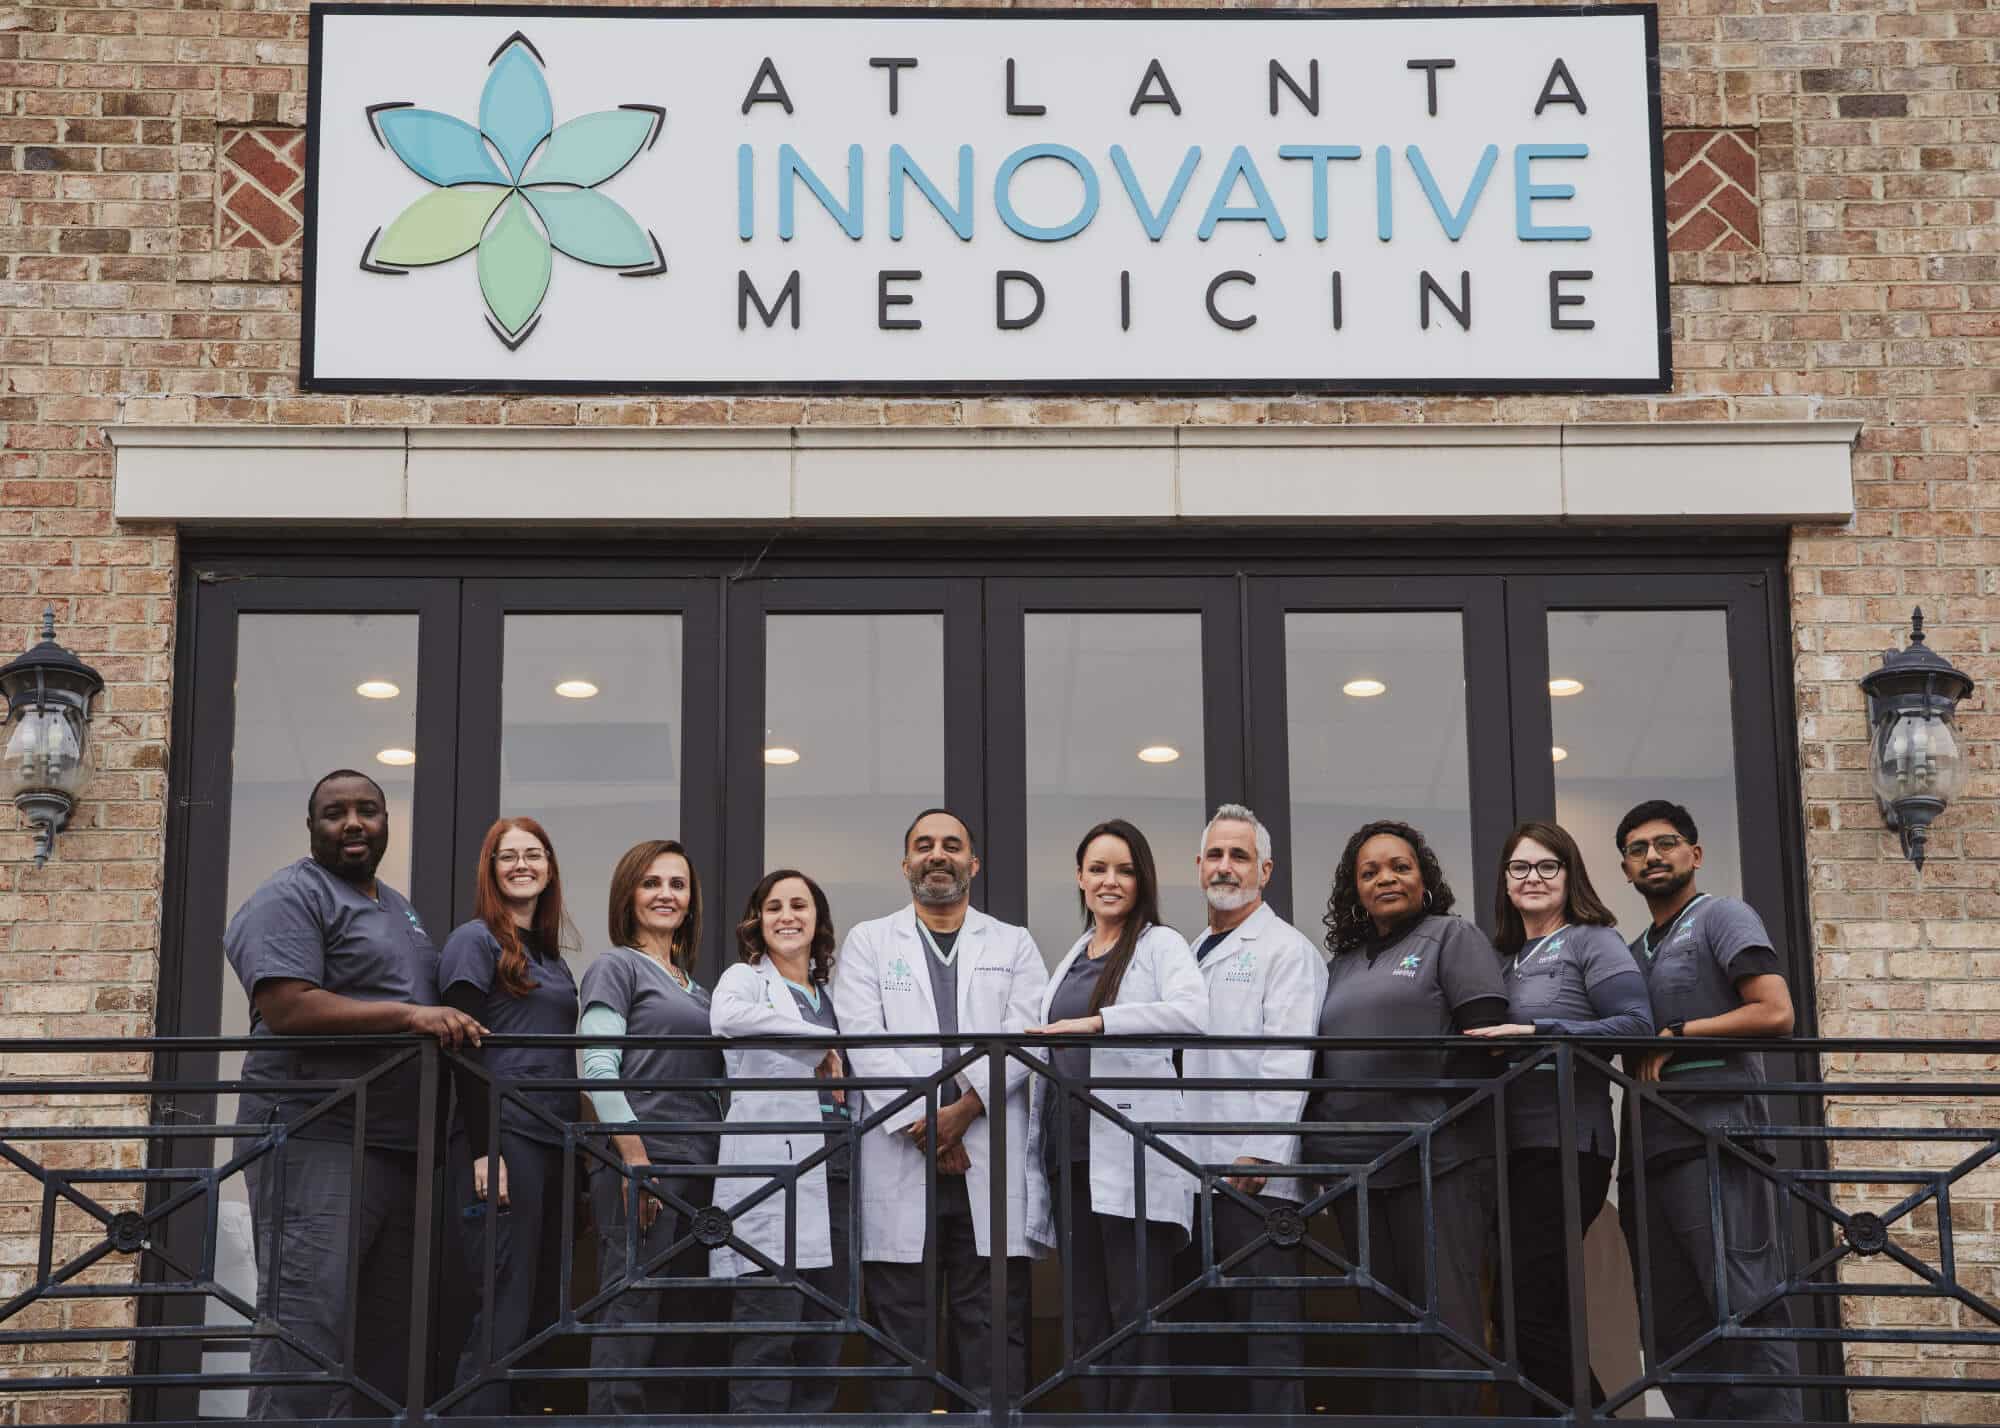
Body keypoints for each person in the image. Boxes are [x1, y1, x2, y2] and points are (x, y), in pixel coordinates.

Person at [223, 769, 483, 1420]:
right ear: (312, 827)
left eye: (368, 810)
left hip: (396, 1150)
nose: (353, 824)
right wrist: (410, 1016)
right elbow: (287, 1006)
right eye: (335, 813)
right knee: (308, 1327)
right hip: (315, 1134)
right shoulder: (291, 894)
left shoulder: (398, 908)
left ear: (386, 822)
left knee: (380, 1346)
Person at [832, 809, 1048, 1411]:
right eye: (924, 845)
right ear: (905, 862)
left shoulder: (1013, 943)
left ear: (973, 863)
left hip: (987, 1157)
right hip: (902, 1153)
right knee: (900, 1334)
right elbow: (863, 1041)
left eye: (951, 845)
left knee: (992, 1330)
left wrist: (964, 1111)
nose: (937, 854)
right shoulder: (870, 942)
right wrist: (931, 1125)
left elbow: (1026, 1036)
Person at [1304, 819, 1508, 1417]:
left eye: (1399, 866)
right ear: (1355, 889)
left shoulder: (1452, 936)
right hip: (1356, 1175)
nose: (1385, 879)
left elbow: (1488, 1046)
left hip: (1436, 1163)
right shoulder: (1341, 964)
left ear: (1424, 877)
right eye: (1369, 872)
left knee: (1447, 1327)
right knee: (1383, 1330)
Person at [1613, 800, 1802, 1421]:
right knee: (1673, 1331)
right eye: (1638, 849)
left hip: (1717, 1140)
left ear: (1694, 854)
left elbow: (1775, 1011)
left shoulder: (1722, 916)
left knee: (1743, 1308)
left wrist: (1681, 1034)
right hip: (1647, 1156)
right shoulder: (1630, 950)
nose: (1652, 856)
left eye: (1665, 843)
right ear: (1625, 869)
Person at [1464, 820, 1654, 1415]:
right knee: (1518, 1312)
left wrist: (1540, 1032)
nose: (1533, 877)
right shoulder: (1503, 958)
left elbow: (1636, 1026)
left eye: (1548, 865)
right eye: (1520, 867)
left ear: (1570, 875)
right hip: (1507, 1151)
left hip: (1567, 1147)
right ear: (1505, 881)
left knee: (1531, 1310)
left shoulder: (1592, 941)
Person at [1025, 818, 1207, 1415]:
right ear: (1079, 877)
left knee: (1136, 1315)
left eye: (1125, 870)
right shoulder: (1074, 955)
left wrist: (1099, 1022)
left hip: (1132, 1155)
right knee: (1086, 1318)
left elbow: (1192, 1012)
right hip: (1069, 1155)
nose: (1110, 881)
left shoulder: (1160, 945)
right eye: (1098, 869)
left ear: (1143, 880)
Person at [1175, 803, 1327, 1415]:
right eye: (1215, 854)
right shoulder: (1189, 949)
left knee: (1267, 1344)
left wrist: (1261, 1148)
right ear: (1198, 866)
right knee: (1204, 1348)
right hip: (1191, 1180)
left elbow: (1289, 1058)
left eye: (1239, 856)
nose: (1225, 866)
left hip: (1255, 1184)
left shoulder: (1287, 950)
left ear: (1265, 871)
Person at [439, 817, 580, 1417]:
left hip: (554, 1143)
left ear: (549, 867)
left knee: (545, 1308)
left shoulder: (551, 957)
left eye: (534, 854)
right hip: (505, 1138)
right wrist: (484, 1148)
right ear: (491, 870)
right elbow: (461, 1047)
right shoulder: (474, 941)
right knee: (505, 1304)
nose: (523, 865)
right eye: (508, 856)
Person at [577, 840, 722, 1415]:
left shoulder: (696, 988)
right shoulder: (616, 966)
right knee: (631, 1311)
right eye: (652, 882)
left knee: (679, 1323)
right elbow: (596, 1067)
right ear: (628, 894)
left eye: (677, 885)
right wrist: (635, 1157)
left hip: (700, 1170)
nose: (666, 894)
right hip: (645, 1165)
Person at [711, 869, 853, 1415]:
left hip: (836, 1173)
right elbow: (727, 1017)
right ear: (758, 920)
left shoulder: (830, 996)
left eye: (799, 905)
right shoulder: (746, 979)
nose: (787, 916)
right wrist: (822, 1043)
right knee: (767, 1333)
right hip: (774, 1177)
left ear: (818, 921)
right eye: (774, 907)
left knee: (825, 1337)